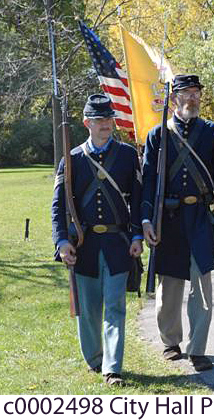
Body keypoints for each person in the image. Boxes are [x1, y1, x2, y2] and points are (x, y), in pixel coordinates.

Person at [141, 74, 214, 371]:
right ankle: (170, 341)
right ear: (174, 98)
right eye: (186, 93)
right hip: (169, 220)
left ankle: (198, 348)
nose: (192, 98)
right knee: (169, 286)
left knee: (202, 286)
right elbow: (148, 181)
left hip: (201, 218)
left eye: (196, 93)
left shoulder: (212, 133)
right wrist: (146, 219)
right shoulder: (158, 135)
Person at [51, 94, 143, 386]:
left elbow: (137, 199)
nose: (105, 124)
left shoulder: (127, 155)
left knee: (115, 306)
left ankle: (112, 367)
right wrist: (62, 241)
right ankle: (94, 359)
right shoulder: (72, 158)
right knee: (89, 310)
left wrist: (137, 235)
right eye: (99, 120)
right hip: (85, 246)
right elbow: (59, 206)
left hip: (118, 243)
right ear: (86, 123)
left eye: (108, 119)